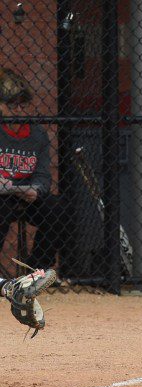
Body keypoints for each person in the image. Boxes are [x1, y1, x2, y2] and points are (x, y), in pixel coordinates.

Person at [0, 67, 70, 270]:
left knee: (58, 208)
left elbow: (43, 176)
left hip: (25, 194)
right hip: (2, 197)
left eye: (23, 106)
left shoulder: (37, 134)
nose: (19, 112)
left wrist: (36, 189)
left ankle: (36, 270)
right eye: (12, 106)